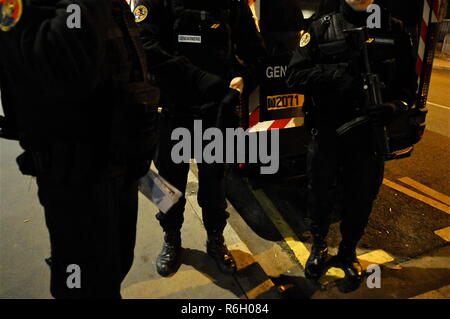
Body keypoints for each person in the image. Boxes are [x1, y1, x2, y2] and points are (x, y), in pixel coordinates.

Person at [0, 0, 159, 298]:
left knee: (115, 268)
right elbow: (72, 68)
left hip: (119, 160)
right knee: (85, 286)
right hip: (78, 174)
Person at [286, 0, 417, 282]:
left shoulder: (393, 30)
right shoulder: (322, 27)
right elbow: (294, 76)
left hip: (368, 136)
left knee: (361, 199)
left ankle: (347, 252)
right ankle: (319, 247)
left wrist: (396, 107)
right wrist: (334, 76)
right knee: (319, 196)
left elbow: (408, 86)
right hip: (328, 132)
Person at [134, 0, 266, 276]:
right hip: (172, 109)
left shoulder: (234, 5)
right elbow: (146, 46)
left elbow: (257, 55)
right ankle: (171, 237)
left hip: (216, 111)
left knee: (215, 182)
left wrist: (242, 83)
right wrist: (200, 78)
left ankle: (215, 239)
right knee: (167, 183)